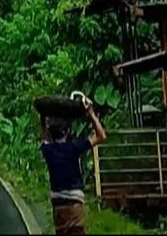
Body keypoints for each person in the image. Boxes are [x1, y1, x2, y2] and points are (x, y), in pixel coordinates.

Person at [39, 95, 106, 235]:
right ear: (67, 130)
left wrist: (43, 115)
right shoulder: (74, 147)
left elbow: (43, 136)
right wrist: (91, 113)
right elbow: (101, 136)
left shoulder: (48, 150)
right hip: (74, 204)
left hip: (58, 207)